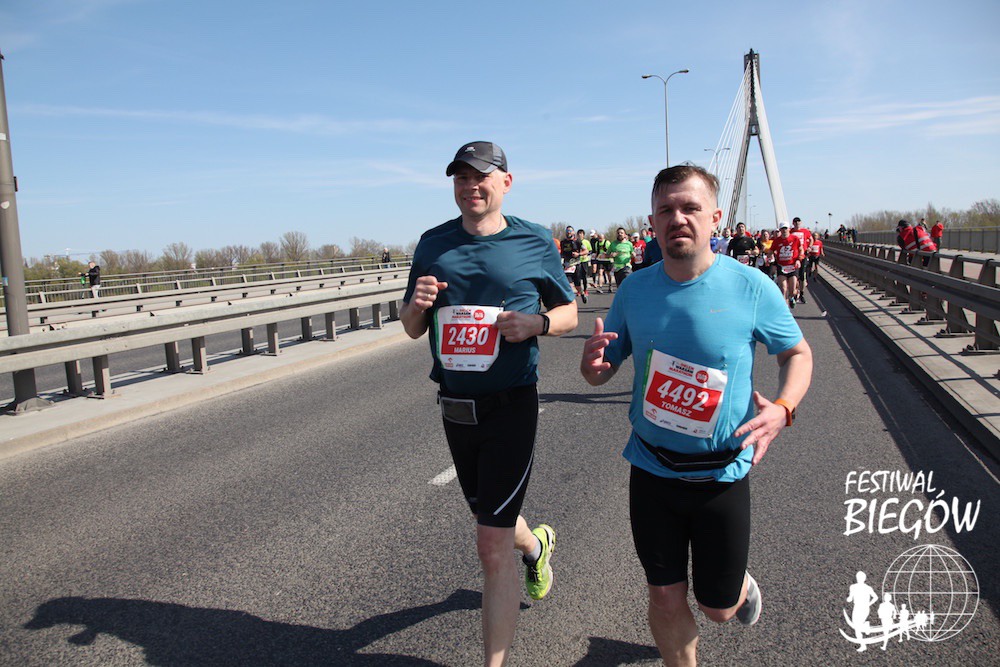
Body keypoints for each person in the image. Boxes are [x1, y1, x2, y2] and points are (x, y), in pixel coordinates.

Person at [580, 164, 812, 667]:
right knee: (665, 597)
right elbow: (602, 370)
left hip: (721, 476)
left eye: (690, 207)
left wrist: (783, 409)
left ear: (715, 217)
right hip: (652, 469)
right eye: (666, 209)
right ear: (652, 222)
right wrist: (592, 366)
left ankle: (735, 586)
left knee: (718, 609)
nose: (677, 218)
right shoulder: (634, 290)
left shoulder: (751, 286)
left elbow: (797, 353)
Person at [401, 141, 578, 666]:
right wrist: (416, 306)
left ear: (505, 182)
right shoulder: (433, 243)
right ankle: (537, 546)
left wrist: (537, 323)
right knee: (489, 515)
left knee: (489, 544)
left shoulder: (533, 240)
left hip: (511, 404)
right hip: (455, 405)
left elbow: (569, 312)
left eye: (480, 176)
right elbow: (412, 327)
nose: (470, 186)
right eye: (461, 178)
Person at [772, 223, 802, 308]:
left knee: (792, 290)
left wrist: (799, 260)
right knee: (783, 288)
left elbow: (801, 250)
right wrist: (770, 255)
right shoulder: (777, 240)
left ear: (789, 229)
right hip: (782, 267)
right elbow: (771, 250)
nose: (784, 230)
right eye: (782, 229)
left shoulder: (795, 239)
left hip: (792, 266)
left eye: (785, 228)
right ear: (780, 230)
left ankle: (792, 296)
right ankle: (785, 307)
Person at [790, 218, 812, 303]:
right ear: (793, 223)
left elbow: (811, 239)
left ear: (800, 223)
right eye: (795, 222)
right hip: (793, 256)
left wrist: (809, 247)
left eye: (798, 222)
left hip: (803, 255)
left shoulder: (805, 231)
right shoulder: (790, 231)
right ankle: (795, 293)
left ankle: (802, 294)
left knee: (802, 276)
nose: (797, 224)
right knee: (795, 275)